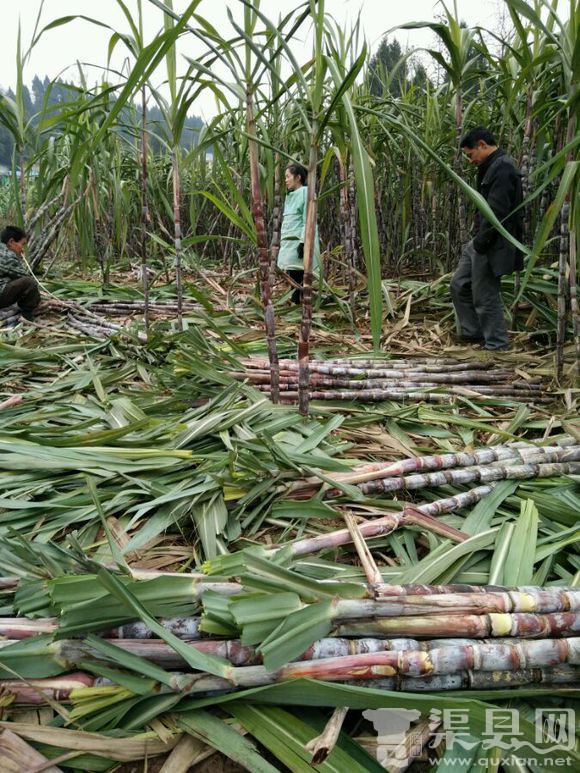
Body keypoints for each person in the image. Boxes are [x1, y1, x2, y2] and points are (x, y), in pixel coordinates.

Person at [451, 127, 524, 351]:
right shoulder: (489, 166)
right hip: (481, 240)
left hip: (491, 242)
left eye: (471, 154)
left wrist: (482, 244)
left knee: (485, 295)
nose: (470, 160)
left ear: (482, 144)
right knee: (459, 284)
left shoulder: (503, 168)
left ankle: (497, 345)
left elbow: (498, 212)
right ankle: (473, 333)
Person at [277, 163, 320, 304]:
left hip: (298, 238)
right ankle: (296, 299)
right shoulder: (290, 196)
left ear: (298, 177)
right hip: (289, 240)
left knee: (299, 270)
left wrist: (303, 241)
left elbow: (307, 218)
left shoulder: (306, 192)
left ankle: (298, 300)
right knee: (292, 270)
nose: (286, 180)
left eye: (288, 176)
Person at [0, 225, 40, 320]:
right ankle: (27, 317)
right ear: (11, 242)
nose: (22, 249)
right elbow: (24, 277)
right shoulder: (7, 256)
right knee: (29, 282)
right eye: (22, 244)